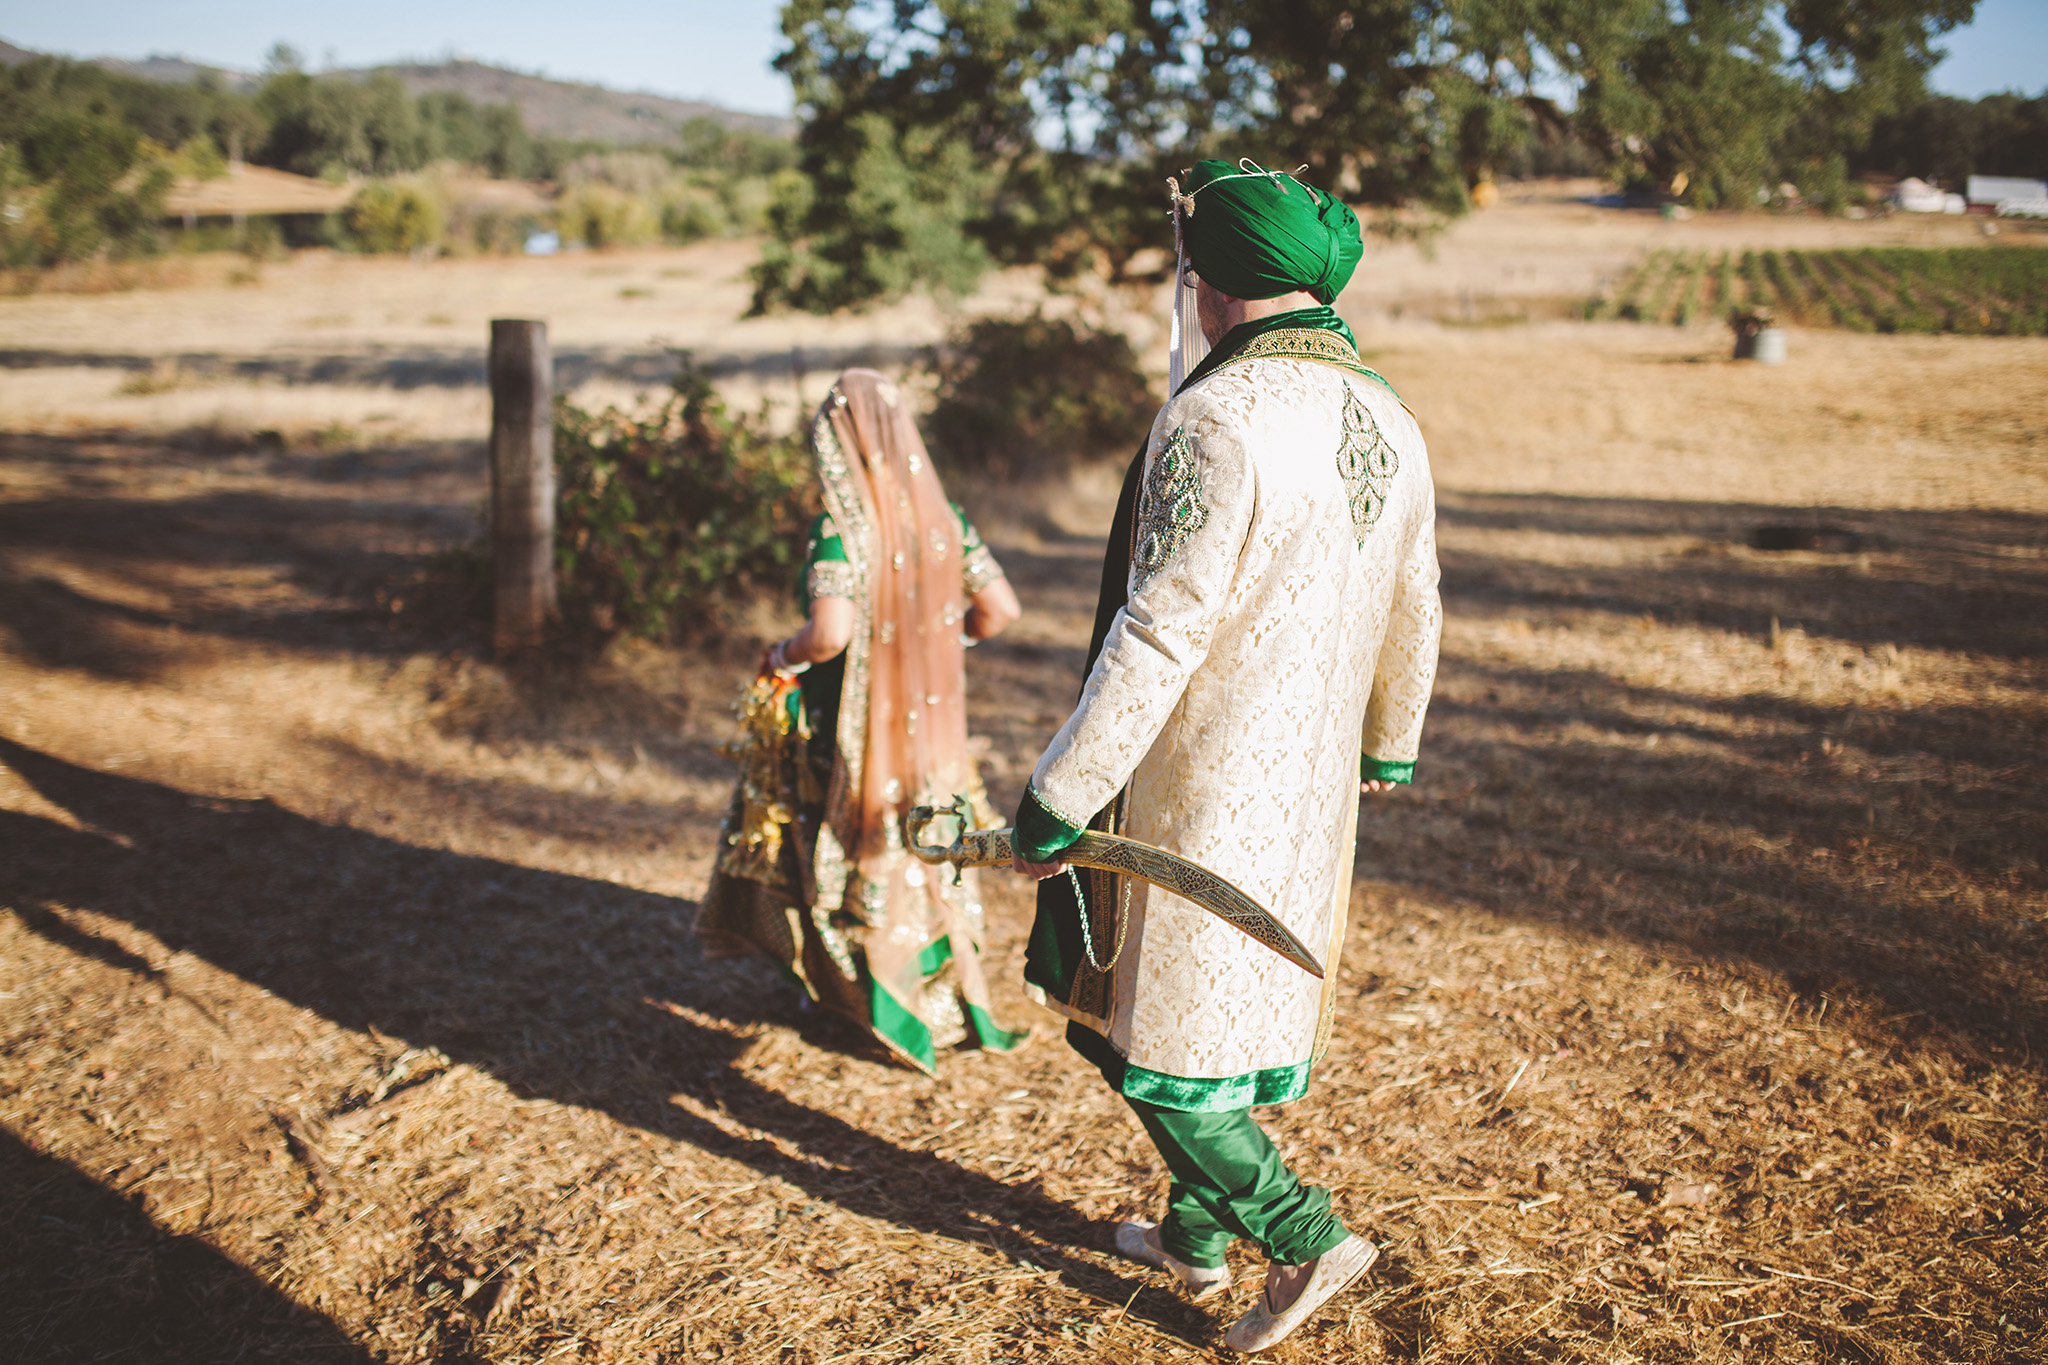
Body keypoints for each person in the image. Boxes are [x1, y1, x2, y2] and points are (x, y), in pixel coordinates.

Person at [1009, 159, 1442, 1353]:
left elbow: (1158, 628)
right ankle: (1192, 1241)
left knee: (1155, 1043)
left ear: (1212, 285)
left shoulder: (1214, 415)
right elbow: (1419, 599)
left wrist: (1059, 791)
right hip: (1309, 787)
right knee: (1220, 1016)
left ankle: (1303, 1237)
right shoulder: (1389, 417)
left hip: (1201, 778)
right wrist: (1389, 743)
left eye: (1188, 272)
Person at [697, 368, 1028, 1075]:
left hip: (848, 730)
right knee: (929, 844)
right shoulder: (947, 520)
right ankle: (944, 1004)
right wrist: (939, 642)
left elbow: (830, 636)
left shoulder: (842, 529)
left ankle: (868, 1003)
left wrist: (781, 657)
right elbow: (1002, 610)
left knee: (855, 850)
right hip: (932, 730)